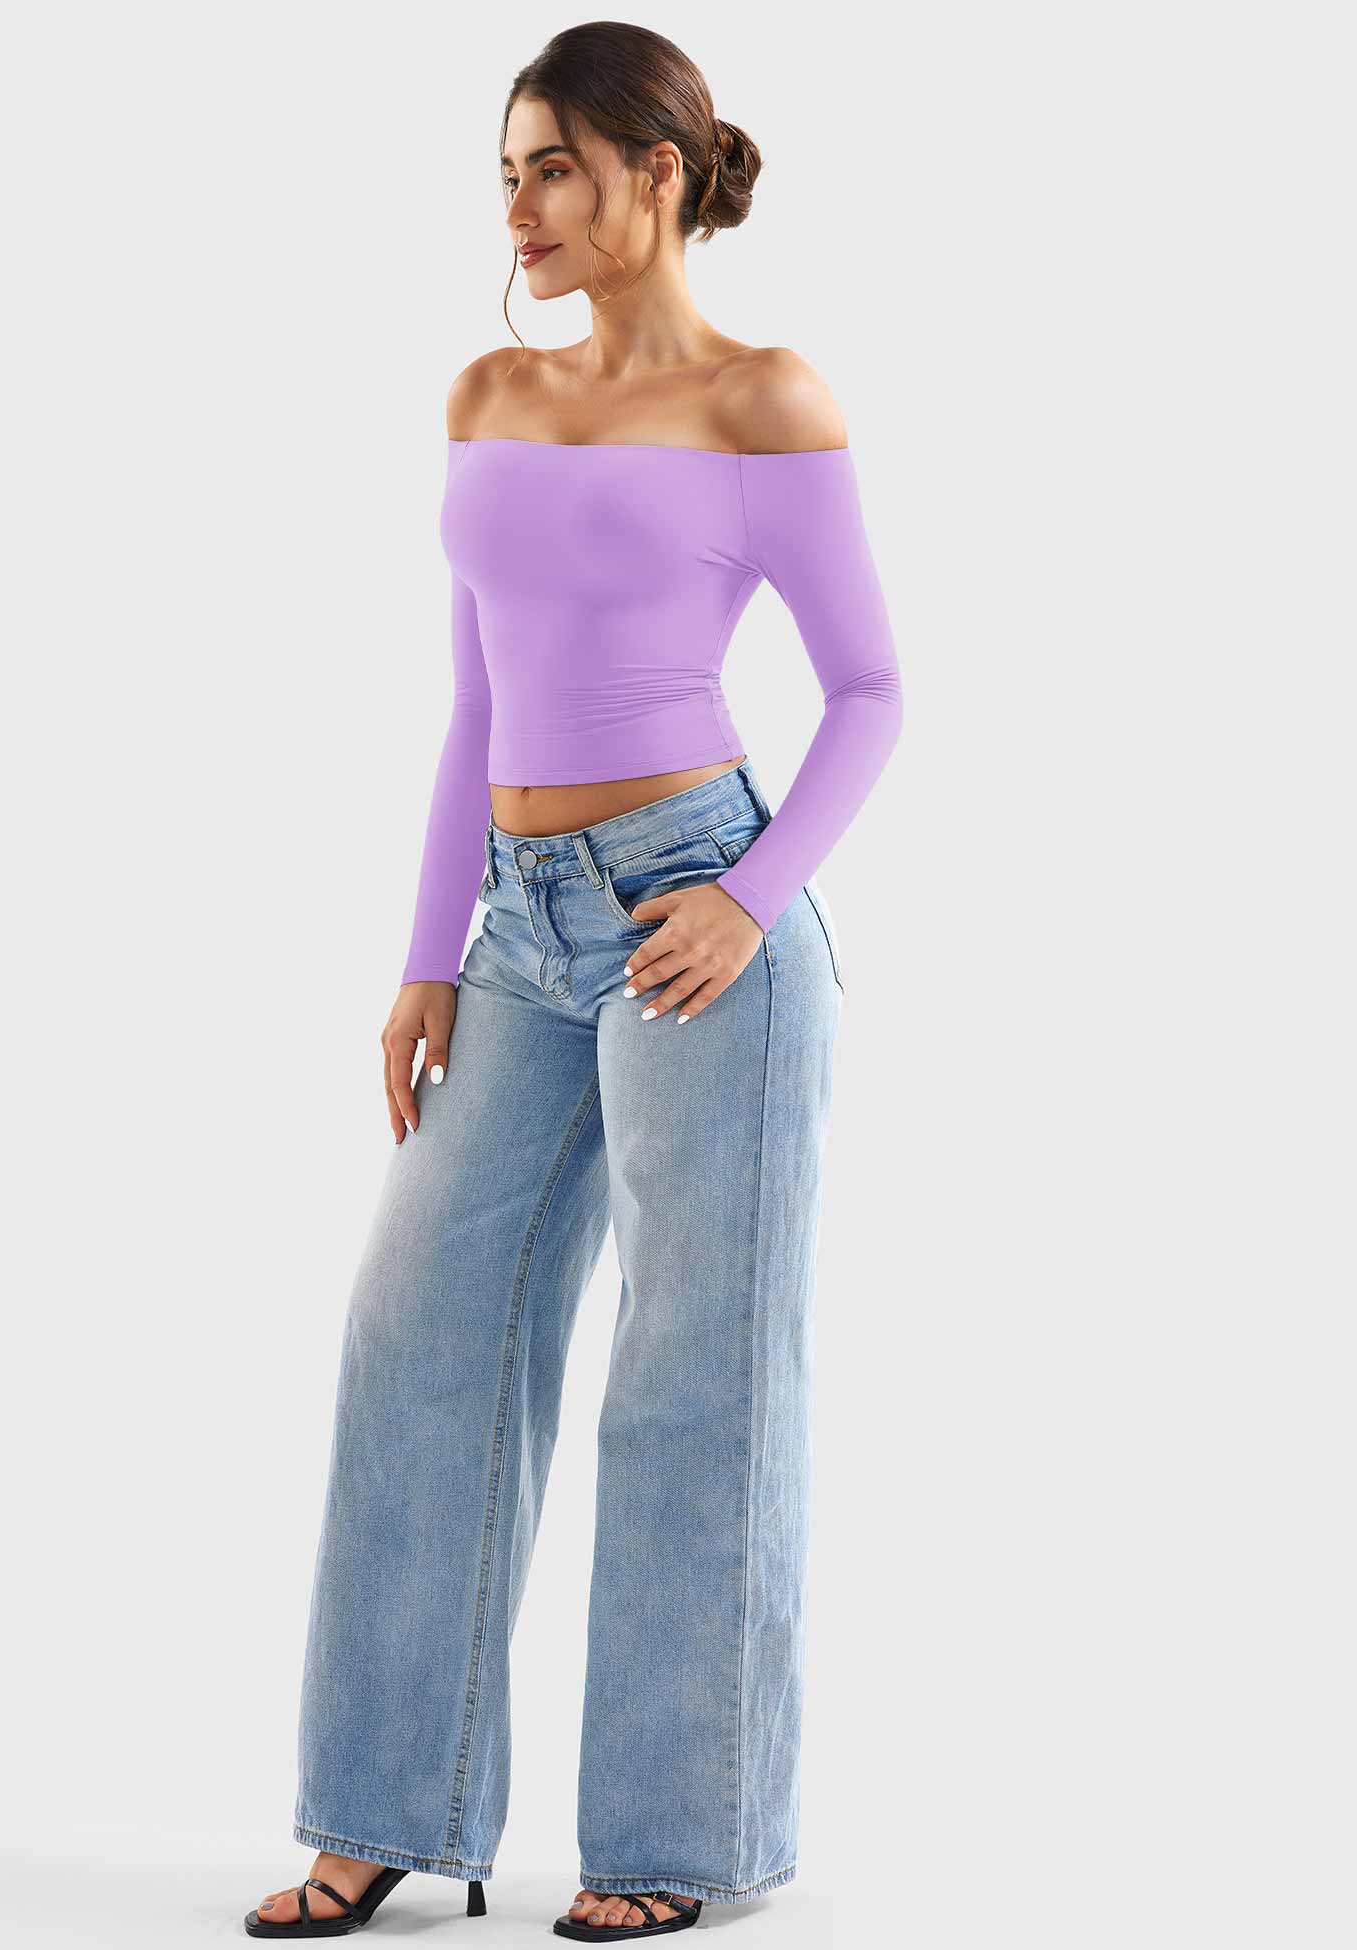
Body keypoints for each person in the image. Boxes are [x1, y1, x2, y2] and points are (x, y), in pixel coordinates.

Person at [246, 22, 903, 1943]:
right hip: (520, 930)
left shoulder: (764, 398)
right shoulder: (489, 392)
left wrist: (752, 900)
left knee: (693, 1380)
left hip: (702, 919)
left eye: (553, 166)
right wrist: (427, 952)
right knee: (416, 1336)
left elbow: (873, 690)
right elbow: (475, 697)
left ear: (657, 174)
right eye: (507, 171)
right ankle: (387, 1807)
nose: (520, 207)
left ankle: (675, 1838)